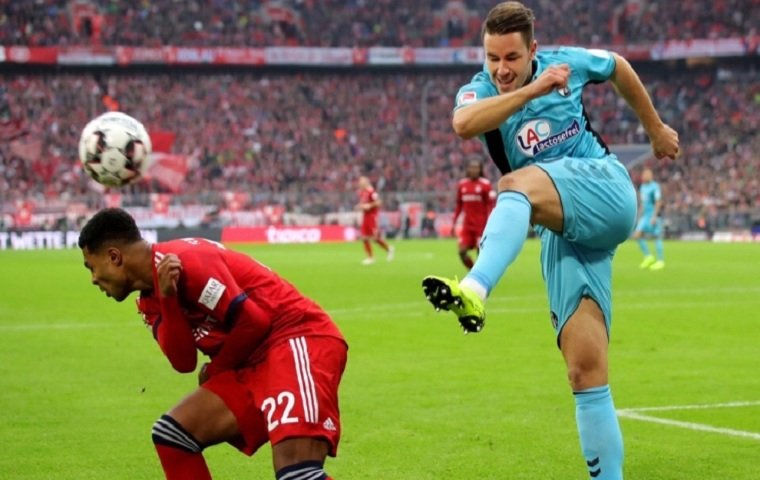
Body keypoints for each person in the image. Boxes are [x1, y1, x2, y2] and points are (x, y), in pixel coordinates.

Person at [420, 2, 679, 479]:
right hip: (561, 224)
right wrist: (533, 88)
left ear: (532, 50)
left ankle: (474, 289)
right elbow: (463, 124)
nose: (501, 69)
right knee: (585, 371)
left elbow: (618, 66)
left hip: (605, 188)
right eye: (492, 57)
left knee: (514, 184)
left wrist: (655, 128)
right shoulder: (479, 90)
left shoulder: (567, 61)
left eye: (511, 58)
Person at [78, 208, 348, 480]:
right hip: (250, 361)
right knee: (173, 434)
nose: (93, 279)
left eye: (91, 267)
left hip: (295, 339)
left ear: (114, 256)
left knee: (297, 472)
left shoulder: (188, 260)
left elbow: (254, 322)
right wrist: (168, 299)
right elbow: (184, 362)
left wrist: (216, 370)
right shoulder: (149, 301)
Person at [451, 159, 495, 269]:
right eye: (471, 167)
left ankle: (480, 275)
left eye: (476, 167)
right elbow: (459, 206)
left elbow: (490, 206)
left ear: (480, 170)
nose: (474, 170)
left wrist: (491, 223)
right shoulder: (462, 184)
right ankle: (472, 271)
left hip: (481, 226)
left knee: (481, 253)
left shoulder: (485, 185)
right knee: (462, 252)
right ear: (467, 169)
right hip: (467, 227)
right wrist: (454, 223)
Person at [356, 176, 394, 265]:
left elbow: (378, 202)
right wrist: (360, 206)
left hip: (372, 216)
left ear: (366, 182)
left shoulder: (371, 191)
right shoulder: (362, 192)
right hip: (365, 216)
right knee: (364, 237)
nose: (360, 184)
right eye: (359, 182)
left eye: (361, 182)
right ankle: (370, 258)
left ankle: (389, 248)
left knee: (375, 238)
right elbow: (363, 203)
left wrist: (370, 205)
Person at [633, 168, 665, 270]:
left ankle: (660, 261)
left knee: (657, 237)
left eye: (648, 174)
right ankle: (648, 256)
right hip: (645, 216)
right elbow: (643, 203)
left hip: (653, 215)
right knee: (637, 235)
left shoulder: (655, 187)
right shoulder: (642, 187)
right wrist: (639, 215)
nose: (646, 176)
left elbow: (658, 202)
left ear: (651, 176)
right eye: (645, 174)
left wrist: (654, 216)